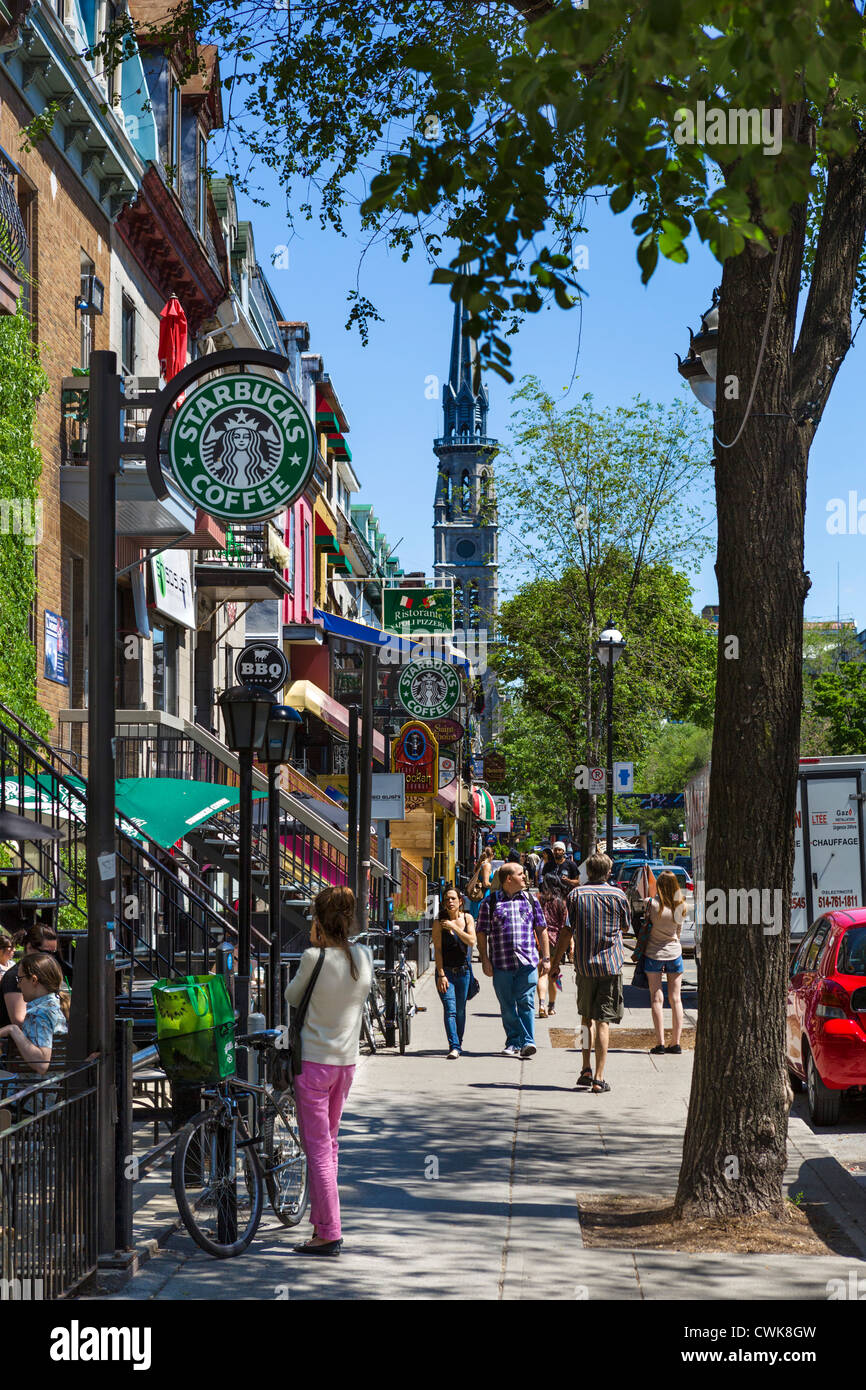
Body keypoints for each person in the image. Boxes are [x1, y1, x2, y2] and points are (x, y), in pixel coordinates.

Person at [284, 885, 373, 1257]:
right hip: (345, 1064)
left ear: (319, 921)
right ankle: (322, 1224)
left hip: (314, 1065)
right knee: (330, 1144)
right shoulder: (363, 956)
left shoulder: (312, 958)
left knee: (318, 1148)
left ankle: (330, 1231)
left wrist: (316, 943)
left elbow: (291, 997)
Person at [550, 852, 629, 1094]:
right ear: (608, 873)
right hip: (610, 966)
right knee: (603, 1022)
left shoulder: (576, 895)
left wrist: (555, 963)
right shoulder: (618, 895)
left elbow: (566, 932)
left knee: (586, 1019)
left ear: (587, 873)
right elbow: (626, 926)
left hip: (584, 966)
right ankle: (599, 1077)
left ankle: (585, 1068)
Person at [477, 862, 549, 1059]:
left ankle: (528, 1041)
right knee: (507, 1005)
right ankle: (513, 1040)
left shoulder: (530, 900)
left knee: (526, 1002)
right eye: (521, 874)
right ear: (509, 879)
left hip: (527, 962)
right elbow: (481, 933)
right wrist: (484, 959)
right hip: (501, 964)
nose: (525, 877)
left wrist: (546, 957)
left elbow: (541, 928)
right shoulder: (490, 903)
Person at [0, 952, 69, 1075]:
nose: (18, 985)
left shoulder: (39, 1014)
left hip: (32, 1090)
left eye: (20, 979)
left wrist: (13, 1030)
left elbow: (41, 1064)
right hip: (54, 1087)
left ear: (33, 980)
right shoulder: (57, 1006)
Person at [642, 869, 687, 1054]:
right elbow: (678, 933)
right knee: (676, 998)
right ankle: (675, 1042)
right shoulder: (681, 906)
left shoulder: (652, 904)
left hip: (653, 953)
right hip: (674, 953)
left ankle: (660, 1043)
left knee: (656, 998)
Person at [432, 887, 477, 1058]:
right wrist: (441, 974)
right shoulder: (438, 922)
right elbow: (437, 950)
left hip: (464, 972)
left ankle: (458, 1042)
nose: (449, 902)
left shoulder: (467, 918)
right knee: (450, 1009)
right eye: (446, 900)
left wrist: (453, 926)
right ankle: (454, 1046)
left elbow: (471, 941)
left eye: (453, 898)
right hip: (447, 973)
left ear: (460, 901)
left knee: (460, 1010)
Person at [0, 923, 61, 1042]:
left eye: (54, 953)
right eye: (46, 953)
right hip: (17, 1051)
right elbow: (19, 1022)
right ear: (29, 948)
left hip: (44, 1042)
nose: (51, 958)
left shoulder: (46, 974)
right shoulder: (15, 977)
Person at [536, 874, 567, 1017]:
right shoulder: (561, 903)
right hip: (556, 941)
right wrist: (568, 946)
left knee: (542, 974)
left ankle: (541, 1004)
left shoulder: (538, 900)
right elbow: (564, 926)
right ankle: (551, 1007)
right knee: (554, 974)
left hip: (540, 940)